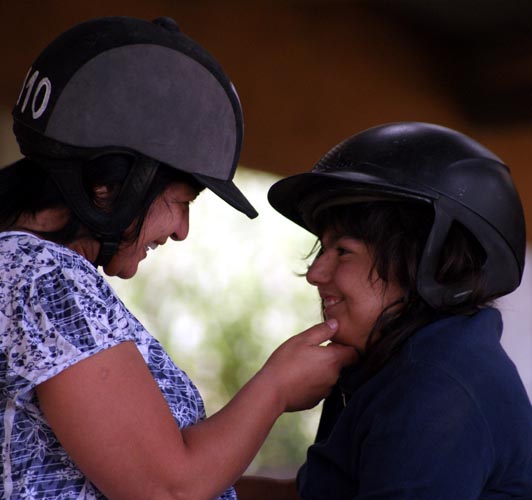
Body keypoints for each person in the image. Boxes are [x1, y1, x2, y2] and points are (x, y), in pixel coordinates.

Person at [0, 16, 357, 500]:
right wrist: (276, 388)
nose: (182, 230)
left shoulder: (19, 268)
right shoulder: (45, 278)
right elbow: (169, 489)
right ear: (114, 184)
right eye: (182, 202)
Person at [238, 122, 532, 499]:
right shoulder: (401, 365)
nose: (315, 273)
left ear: (429, 264)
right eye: (321, 250)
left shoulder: (437, 389)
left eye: (342, 251)